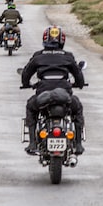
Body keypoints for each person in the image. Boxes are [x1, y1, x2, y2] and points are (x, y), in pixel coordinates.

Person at [21, 25, 85, 155]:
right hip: (64, 96)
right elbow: (78, 75)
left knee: (30, 107)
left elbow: (26, 74)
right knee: (77, 108)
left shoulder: (38, 56)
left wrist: (26, 84)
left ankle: (32, 143)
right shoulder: (68, 56)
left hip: (43, 96)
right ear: (62, 40)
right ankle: (78, 144)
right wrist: (79, 84)